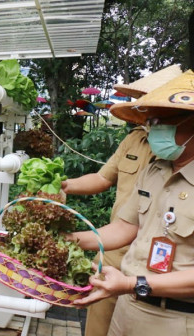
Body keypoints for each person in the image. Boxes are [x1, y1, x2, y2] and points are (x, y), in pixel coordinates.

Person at [67, 69, 194, 336]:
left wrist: (130, 283)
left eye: (161, 121)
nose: (152, 129)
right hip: (129, 305)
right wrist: (66, 239)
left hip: (174, 318)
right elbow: (124, 228)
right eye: (150, 122)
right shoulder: (155, 169)